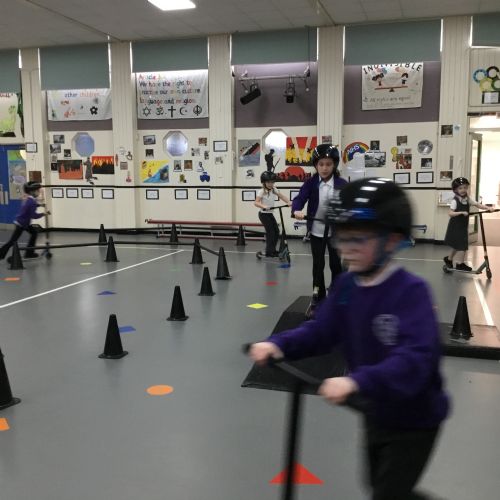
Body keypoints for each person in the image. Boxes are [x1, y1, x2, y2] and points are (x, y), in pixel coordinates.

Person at [248, 178, 450, 500]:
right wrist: (279, 344)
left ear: (392, 240)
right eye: (342, 237)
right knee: (378, 486)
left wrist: (356, 381)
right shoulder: (346, 286)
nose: (347, 247)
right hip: (374, 409)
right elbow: (322, 330)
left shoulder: (411, 292)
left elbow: (415, 359)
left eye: (359, 238)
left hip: (414, 417)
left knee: (388, 494)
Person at [292, 144, 347, 317]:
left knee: (335, 264)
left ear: (334, 165)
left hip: (335, 232)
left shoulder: (341, 184)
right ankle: (318, 295)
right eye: (321, 164)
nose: (324, 168)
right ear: (316, 165)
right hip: (316, 230)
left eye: (328, 164)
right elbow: (300, 198)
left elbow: (349, 202)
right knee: (318, 265)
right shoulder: (311, 183)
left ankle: (337, 294)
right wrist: (297, 210)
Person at [443, 177, 495, 271]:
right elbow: (450, 213)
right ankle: (460, 264)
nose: (463, 190)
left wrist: (488, 208)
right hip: (455, 226)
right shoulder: (455, 201)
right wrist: (461, 212)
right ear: (455, 190)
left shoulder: (467, 198)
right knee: (462, 245)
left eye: (465, 187)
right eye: (460, 188)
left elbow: (477, 204)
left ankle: (449, 259)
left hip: (463, 225)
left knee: (457, 245)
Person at [0, 181, 50, 260]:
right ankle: (2, 254)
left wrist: (39, 205)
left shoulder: (29, 199)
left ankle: (29, 253)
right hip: (21, 224)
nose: (39, 192)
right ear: (32, 192)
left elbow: (31, 206)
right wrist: (44, 214)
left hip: (24, 222)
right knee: (13, 241)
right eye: (38, 191)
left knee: (34, 233)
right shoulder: (31, 202)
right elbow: (34, 216)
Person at [254, 171, 291, 257]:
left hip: (270, 214)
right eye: (268, 182)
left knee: (276, 231)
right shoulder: (261, 191)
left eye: (272, 182)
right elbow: (256, 202)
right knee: (271, 232)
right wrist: (264, 206)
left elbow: (281, 196)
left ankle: (272, 250)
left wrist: (289, 202)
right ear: (264, 182)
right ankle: (269, 252)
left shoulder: (274, 189)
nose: (271, 184)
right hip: (263, 214)